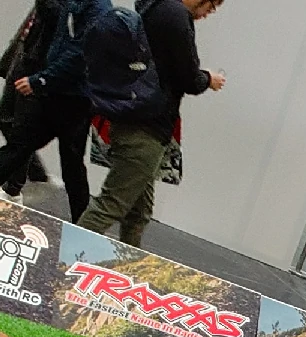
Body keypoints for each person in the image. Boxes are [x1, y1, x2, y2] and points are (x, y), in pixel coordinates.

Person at [76, 0, 225, 244]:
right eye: (211, 6)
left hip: (130, 118)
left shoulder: (153, 7)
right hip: (147, 128)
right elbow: (189, 78)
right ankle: (61, 261)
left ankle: (124, 262)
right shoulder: (176, 15)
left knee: (138, 213)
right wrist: (208, 79)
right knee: (111, 206)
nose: (208, 13)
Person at [0, 0, 108, 221]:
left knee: (66, 164)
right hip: (54, 91)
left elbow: (79, 54)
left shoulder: (97, 9)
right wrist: (42, 79)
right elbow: (60, 45)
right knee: (23, 147)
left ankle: (84, 225)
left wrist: (41, 79)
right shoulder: (79, 5)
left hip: (73, 99)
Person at [0, 1, 56, 195]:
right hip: (24, 57)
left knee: (16, 123)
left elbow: (51, 14)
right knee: (6, 119)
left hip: (36, 65)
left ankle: (14, 187)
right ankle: (34, 173)